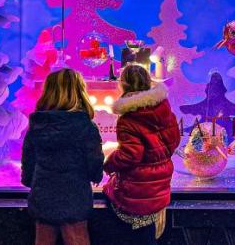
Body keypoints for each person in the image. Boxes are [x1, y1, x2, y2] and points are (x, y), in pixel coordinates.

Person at [21, 68, 104, 245]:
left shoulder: (37, 125)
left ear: (49, 92)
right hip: (75, 197)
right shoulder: (85, 126)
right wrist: (96, 176)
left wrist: (31, 182)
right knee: (77, 239)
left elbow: (28, 163)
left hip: (43, 196)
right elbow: (95, 163)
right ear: (78, 92)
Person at [100, 64, 181, 244]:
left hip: (137, 189)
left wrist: (109, 163)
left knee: (109, 198)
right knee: (147, 233)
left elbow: (131, 155)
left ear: (123, 84)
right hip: (160, 184)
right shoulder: (164, 109)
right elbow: (174, 140)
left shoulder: (128, 118)